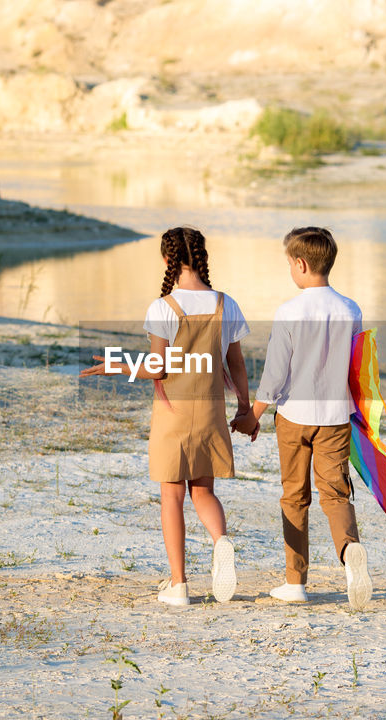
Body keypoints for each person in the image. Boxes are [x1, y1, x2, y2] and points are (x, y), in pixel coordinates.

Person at [82, 227, 252, 607]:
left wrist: (117, 364)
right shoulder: (227, 304)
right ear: (202, 257)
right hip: (210, 411)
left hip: (173, 412)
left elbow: (158, 368)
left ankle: (179, 585)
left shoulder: (163, 307)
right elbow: (236, 364)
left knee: (172, 495)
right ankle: (221, 542)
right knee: (204, 491)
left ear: (166, 260)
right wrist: (243, 406)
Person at [231, 226, 372, 610]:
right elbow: (358, 368)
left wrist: (252, 415)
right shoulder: (350, 309)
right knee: (336, 494)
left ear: (301, 263)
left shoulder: (290, 311)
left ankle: (295, 582)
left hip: (294, 417)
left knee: (295, 497)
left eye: (289, 264)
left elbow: (276, 374)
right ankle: (349, 555)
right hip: (336, 417)